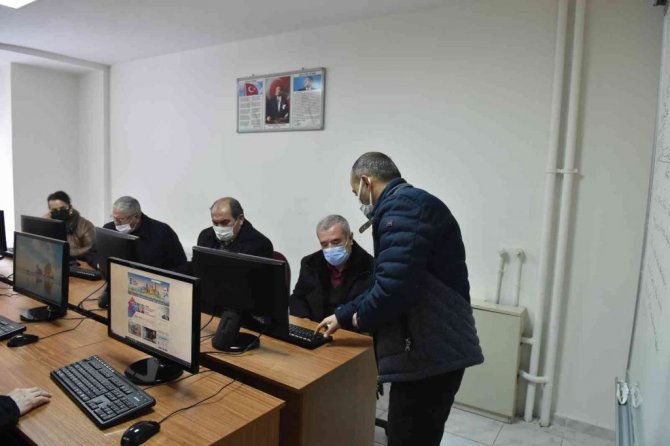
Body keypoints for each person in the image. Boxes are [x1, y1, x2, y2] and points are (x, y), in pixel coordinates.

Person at [316, 152, 484, 446]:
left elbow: (393, 290)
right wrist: (342, 315)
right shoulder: (406, 206)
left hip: (429, 352)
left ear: (366, 182)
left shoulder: (403, 208)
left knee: (409, 436)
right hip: (429, 348)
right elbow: (385, 282)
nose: (359, 200)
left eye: (356, 192)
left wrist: (358, 318)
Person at [289, 215, 373, 323]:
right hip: (315, 326)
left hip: (348, 329)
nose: (330, 248)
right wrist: (305, 321)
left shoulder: (370, 266)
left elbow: (370, 307)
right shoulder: (309, 264)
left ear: (350, 238)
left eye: (336, 242)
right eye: (324, 244)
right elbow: (298, 297)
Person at [197, 197, 273, 258]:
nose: (219, 227)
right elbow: (197, 267)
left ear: (240, 219)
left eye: (225, 222)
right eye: (215, 223)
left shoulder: (260, 244)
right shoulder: (205, 236)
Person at [42, 191, 95, 259]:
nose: (59, 212)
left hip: (78, 262)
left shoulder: (85, 225)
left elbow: (90, 249)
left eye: (62, 208)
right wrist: (42, 224)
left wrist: (64, 252)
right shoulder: (49, 224)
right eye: (55, 210)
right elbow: (38, 246)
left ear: (70, 208)